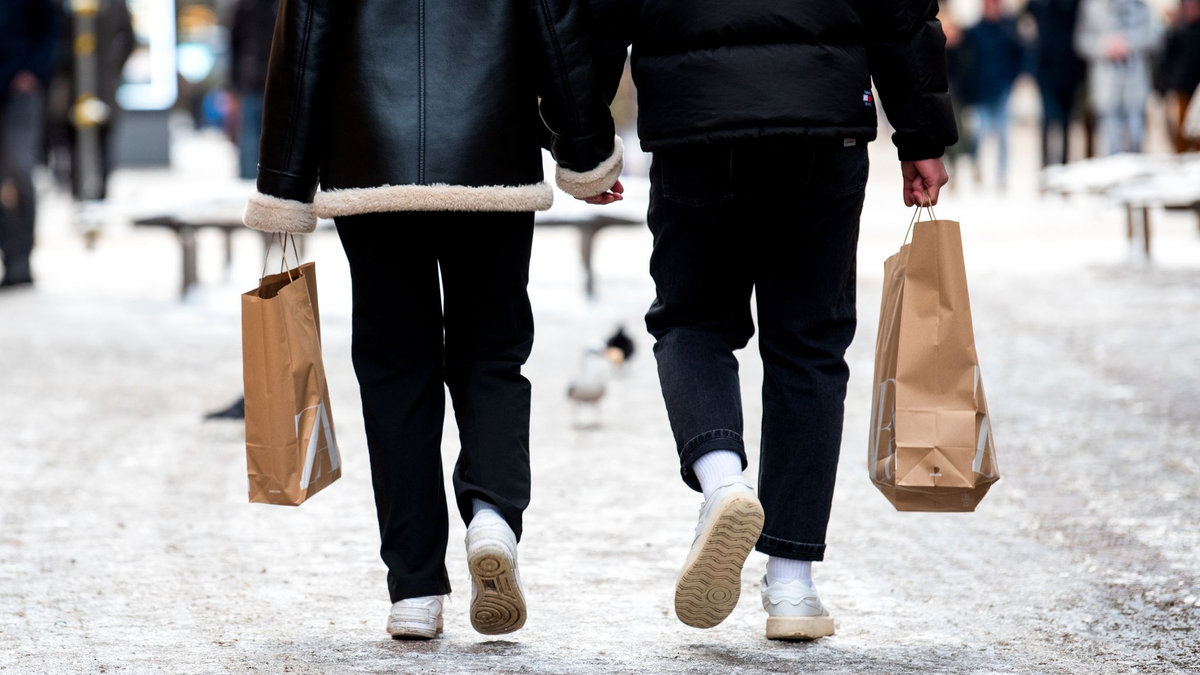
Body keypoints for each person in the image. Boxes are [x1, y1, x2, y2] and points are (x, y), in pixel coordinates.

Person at [242, 0, 622, 640]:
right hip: (491, 155)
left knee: (395, 370)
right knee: (494, 355)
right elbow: (559, 28)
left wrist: (284, 183)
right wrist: (584, 152)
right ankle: (493, 515)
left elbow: (305, 36)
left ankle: (414, 589)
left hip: (370, 161)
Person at [589, 0, 955, 641]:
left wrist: (583, 138)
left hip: (695, 119)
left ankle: (723, 482)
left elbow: (594, 14)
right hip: (822, 119)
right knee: (809, 344)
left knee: (693, 320)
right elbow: (900, 10)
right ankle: (791, 585)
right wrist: (921, 135)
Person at [46, 0, 133, 203]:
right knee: (74, 147)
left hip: (101, 84)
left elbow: (128, 38)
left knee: (103, 148)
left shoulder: (114, 4)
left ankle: (98, 199)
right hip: (73, 85)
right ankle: (80, 199)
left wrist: (113, 67)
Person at [0, 0, 59, 288]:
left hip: (19, 88)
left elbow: (50, 27)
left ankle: (20, 260)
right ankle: (8, 256)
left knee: (19, 170)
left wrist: (33, 71)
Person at [1075, 0, 1163, 155]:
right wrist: (1105, 46)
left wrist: (1128, 42)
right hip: (1106, 86)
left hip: (1134, 86)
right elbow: (1081, 41)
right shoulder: (1092, 6)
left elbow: (1155, 36)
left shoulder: (1140, 6)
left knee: (1136, 138)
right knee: (1109, 143)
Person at [963, 0, 1025, 190]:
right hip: (980, 90)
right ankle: (977, 170)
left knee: (1003, 135)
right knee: (978, 134)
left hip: (1002, 89)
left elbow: (1021, 54)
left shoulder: (1008, 30)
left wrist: (1012, 78)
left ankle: (1001, 175)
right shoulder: (974, 31)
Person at [1026, 0, 1087, 166]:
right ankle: (1046, 163)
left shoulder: (1073, 5)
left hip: (1070, 72)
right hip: (1046, 73)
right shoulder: (1041, 5)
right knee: (1047, 120)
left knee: (1067, 122)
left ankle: (1064, 163)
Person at [227, 0, 277, 180]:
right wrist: (232, 85)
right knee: (252, 132)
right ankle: (251, 178)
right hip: (256, 77)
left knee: (264, 131)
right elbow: (234, 45)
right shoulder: (246, 6)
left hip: (266, 76)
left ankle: (261, 178)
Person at [1158, 0, 1200, 153]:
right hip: (1181, 86)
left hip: (1196, 85)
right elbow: (1167, 60)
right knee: (1181, 129)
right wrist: (1164, 84)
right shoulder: (1178, 30)